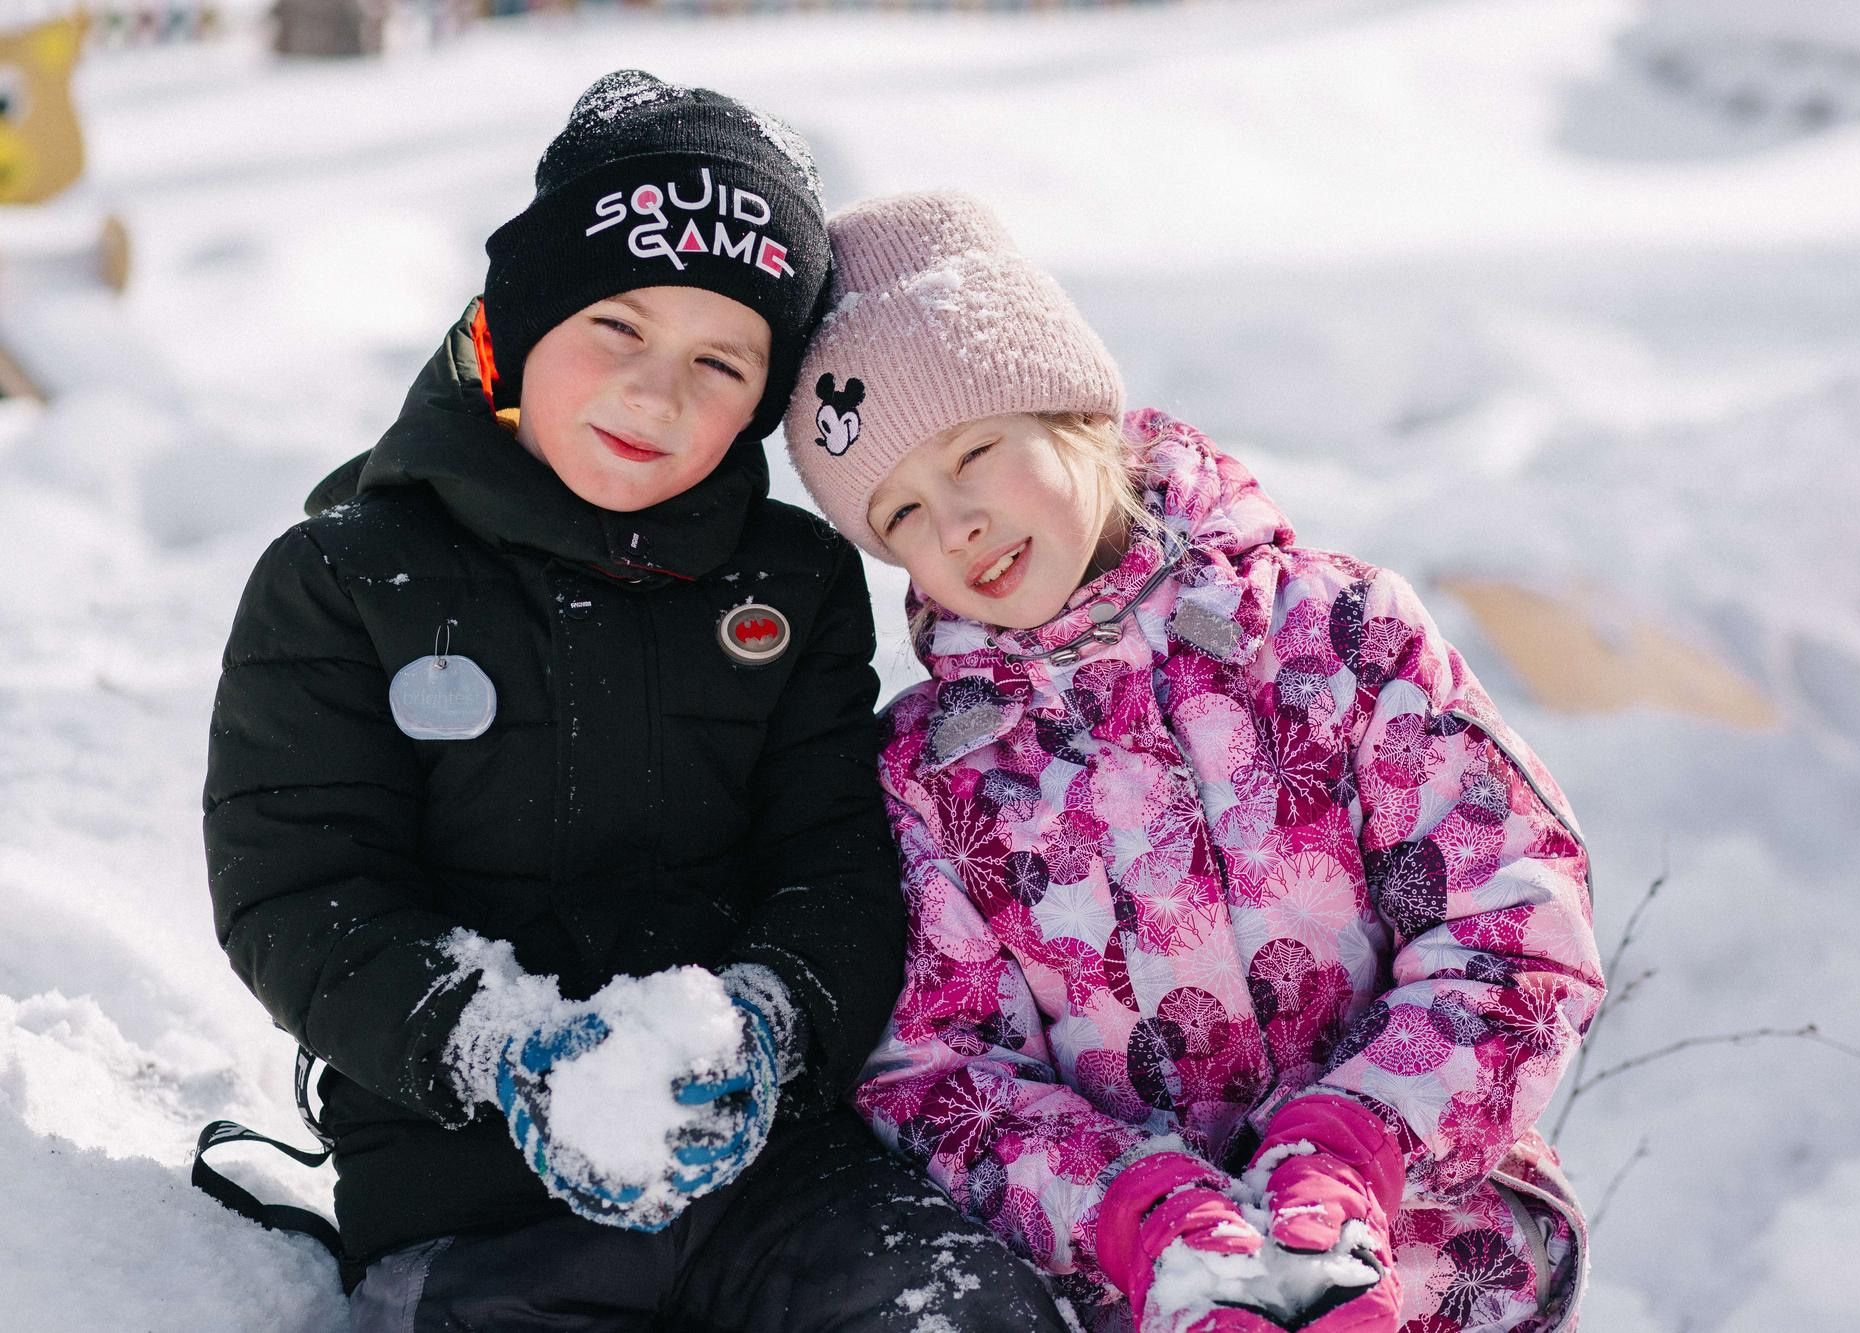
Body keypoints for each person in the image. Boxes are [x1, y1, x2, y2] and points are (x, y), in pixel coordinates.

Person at [203, 81, 1067, 1331]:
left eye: (721, 362)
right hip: (466, 1197)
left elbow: (836, 859)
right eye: (616, 325)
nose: (659, 396)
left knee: (963, 1306)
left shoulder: (795, 584)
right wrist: (496, 1048)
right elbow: (297, 891)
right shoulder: (342, 580)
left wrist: (774, 1030)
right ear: (519, 319)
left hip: (776, 1174)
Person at [783, 191, 1605, 1333]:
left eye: (976, 452)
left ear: (1072, 413)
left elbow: (1514, 921)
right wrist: (1142, 1215)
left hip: (1433, 1258)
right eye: (903, 512)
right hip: (1144, 1294)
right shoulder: (935, 774)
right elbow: (937, 1072)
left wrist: (1347, 1153)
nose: (957, 523)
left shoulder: (1336, 633)